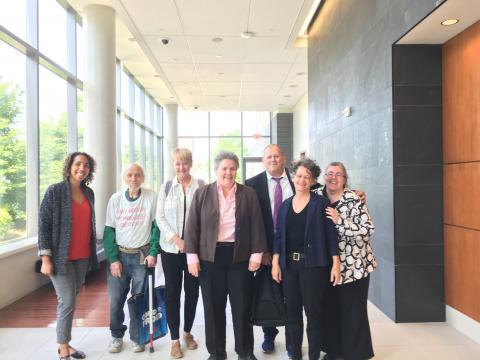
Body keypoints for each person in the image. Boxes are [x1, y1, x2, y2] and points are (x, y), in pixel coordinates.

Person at [184, 151, 268, 360]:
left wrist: (257, 255)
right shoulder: (202, 193)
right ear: (216, 170)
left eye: (232, 168)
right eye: (224, 168)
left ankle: (245, 351)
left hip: (240, 258)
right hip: (209, 259)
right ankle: (217, 352)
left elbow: (257, 224)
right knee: (213, 308)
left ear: (236, 170)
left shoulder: (248, 193)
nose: (228, 172)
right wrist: (192, 257)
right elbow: (192, 227)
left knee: (242, 307)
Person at [271, 158, 341, 360]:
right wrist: (276, 263)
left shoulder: (321, 203)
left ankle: (313, 356)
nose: (302, 180)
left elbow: (330, 235)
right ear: (293, 177)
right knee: (292, 314)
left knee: (313, 314)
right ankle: (294, 354)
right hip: (289, 267)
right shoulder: (284, 206)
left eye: (307, 177)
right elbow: (279, 236)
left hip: (313, 267)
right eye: (299, 175)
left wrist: (335, 264)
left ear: (312, 181)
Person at [38, 152, 98, 360]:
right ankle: (63, 348)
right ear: (69, 166)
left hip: (82, 256)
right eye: (78, 164)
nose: (82, 168)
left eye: (86, 165)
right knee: (67, 300)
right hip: (60, 258)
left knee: (70, 300)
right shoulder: (54, 191)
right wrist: (45, 258)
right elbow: (44, 226)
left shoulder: (89, 193)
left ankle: (66, 342)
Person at [322, 162, 376, 360]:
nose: (333, 177)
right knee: (331, 310)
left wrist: (339, 221)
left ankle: (356, 353)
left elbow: (368, 229)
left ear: (345, 179)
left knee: (353, 311)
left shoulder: (353, 198)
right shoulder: (317, 195)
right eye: (329, 173)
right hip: (327, 267)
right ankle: (333, 351)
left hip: (355, 268)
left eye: (338, 174)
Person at [103, 163, 160, 354]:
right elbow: (109, 231)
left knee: (139, 300)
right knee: (116, 300)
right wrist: (113, 259)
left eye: (137, 175)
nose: (133, 178)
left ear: (142, 177)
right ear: (124, 177)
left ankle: (138, 337)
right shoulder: (116, 199)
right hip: (120, 254)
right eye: (129, 175)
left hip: (141, 256)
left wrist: (153, 252)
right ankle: (116, 336)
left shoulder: (151, 197)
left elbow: (156, 228)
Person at [245, 144, 294, 354]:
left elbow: (327, 193)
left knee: (293, 297)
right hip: (265, 251)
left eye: (276, 156)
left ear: (283, 158)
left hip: (293, 250)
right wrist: (258, 250)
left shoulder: (298, 180)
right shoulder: (251, 184)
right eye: (268, 156)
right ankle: (269, 335)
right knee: (268, 293)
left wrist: (352, 191)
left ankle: (293, 340)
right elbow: (247, 221)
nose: (273, 159)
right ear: (263, 161)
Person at [156, 148, 204, 358]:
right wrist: (177, 239)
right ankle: (174, 340)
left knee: (193, 292)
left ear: (190, 164)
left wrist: (191, 243)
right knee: (172, 293)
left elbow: (206, 216)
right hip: (171, 250)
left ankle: (187, 333)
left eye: (185, 163)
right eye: (178, 164)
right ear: (173, 165)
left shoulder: (201, 186)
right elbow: (160, 218)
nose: (181, 167)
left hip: (195, 251)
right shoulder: (166, 187)